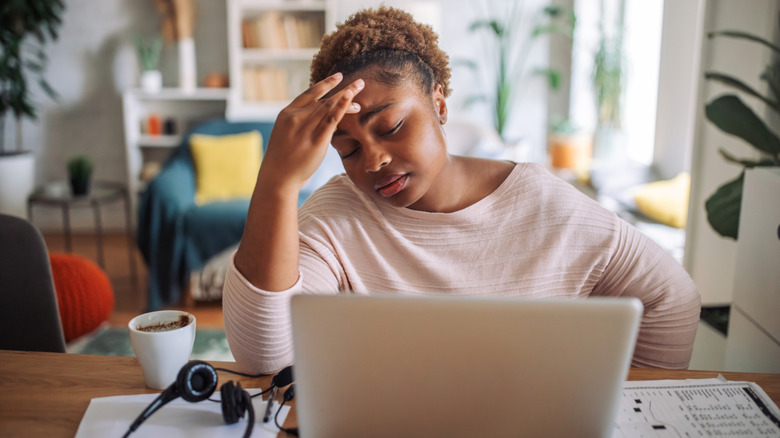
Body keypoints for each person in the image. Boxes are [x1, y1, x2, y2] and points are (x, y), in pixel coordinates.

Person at [223, 6, 701, 374]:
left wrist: (634, 403)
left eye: (389, 126)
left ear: (439, 104)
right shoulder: (336, 217)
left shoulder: (546, 205)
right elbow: (266, 359)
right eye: (347, 150)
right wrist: (278, 184)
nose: (373, 161)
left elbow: (671, 298)